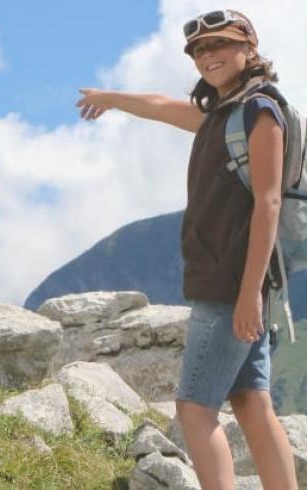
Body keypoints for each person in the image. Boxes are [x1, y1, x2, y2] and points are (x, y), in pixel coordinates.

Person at [76, 9, 298, 490]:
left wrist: (246, 293)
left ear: (250, 47)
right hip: (230, 282)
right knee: (251, 403)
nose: (208, 55)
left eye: (218, 44)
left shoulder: (261, 110)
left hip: (231, 285)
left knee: (194, 409)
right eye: (199, 50)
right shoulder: (224, 114)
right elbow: (158, 105)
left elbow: (268, 202)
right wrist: (109, 98)